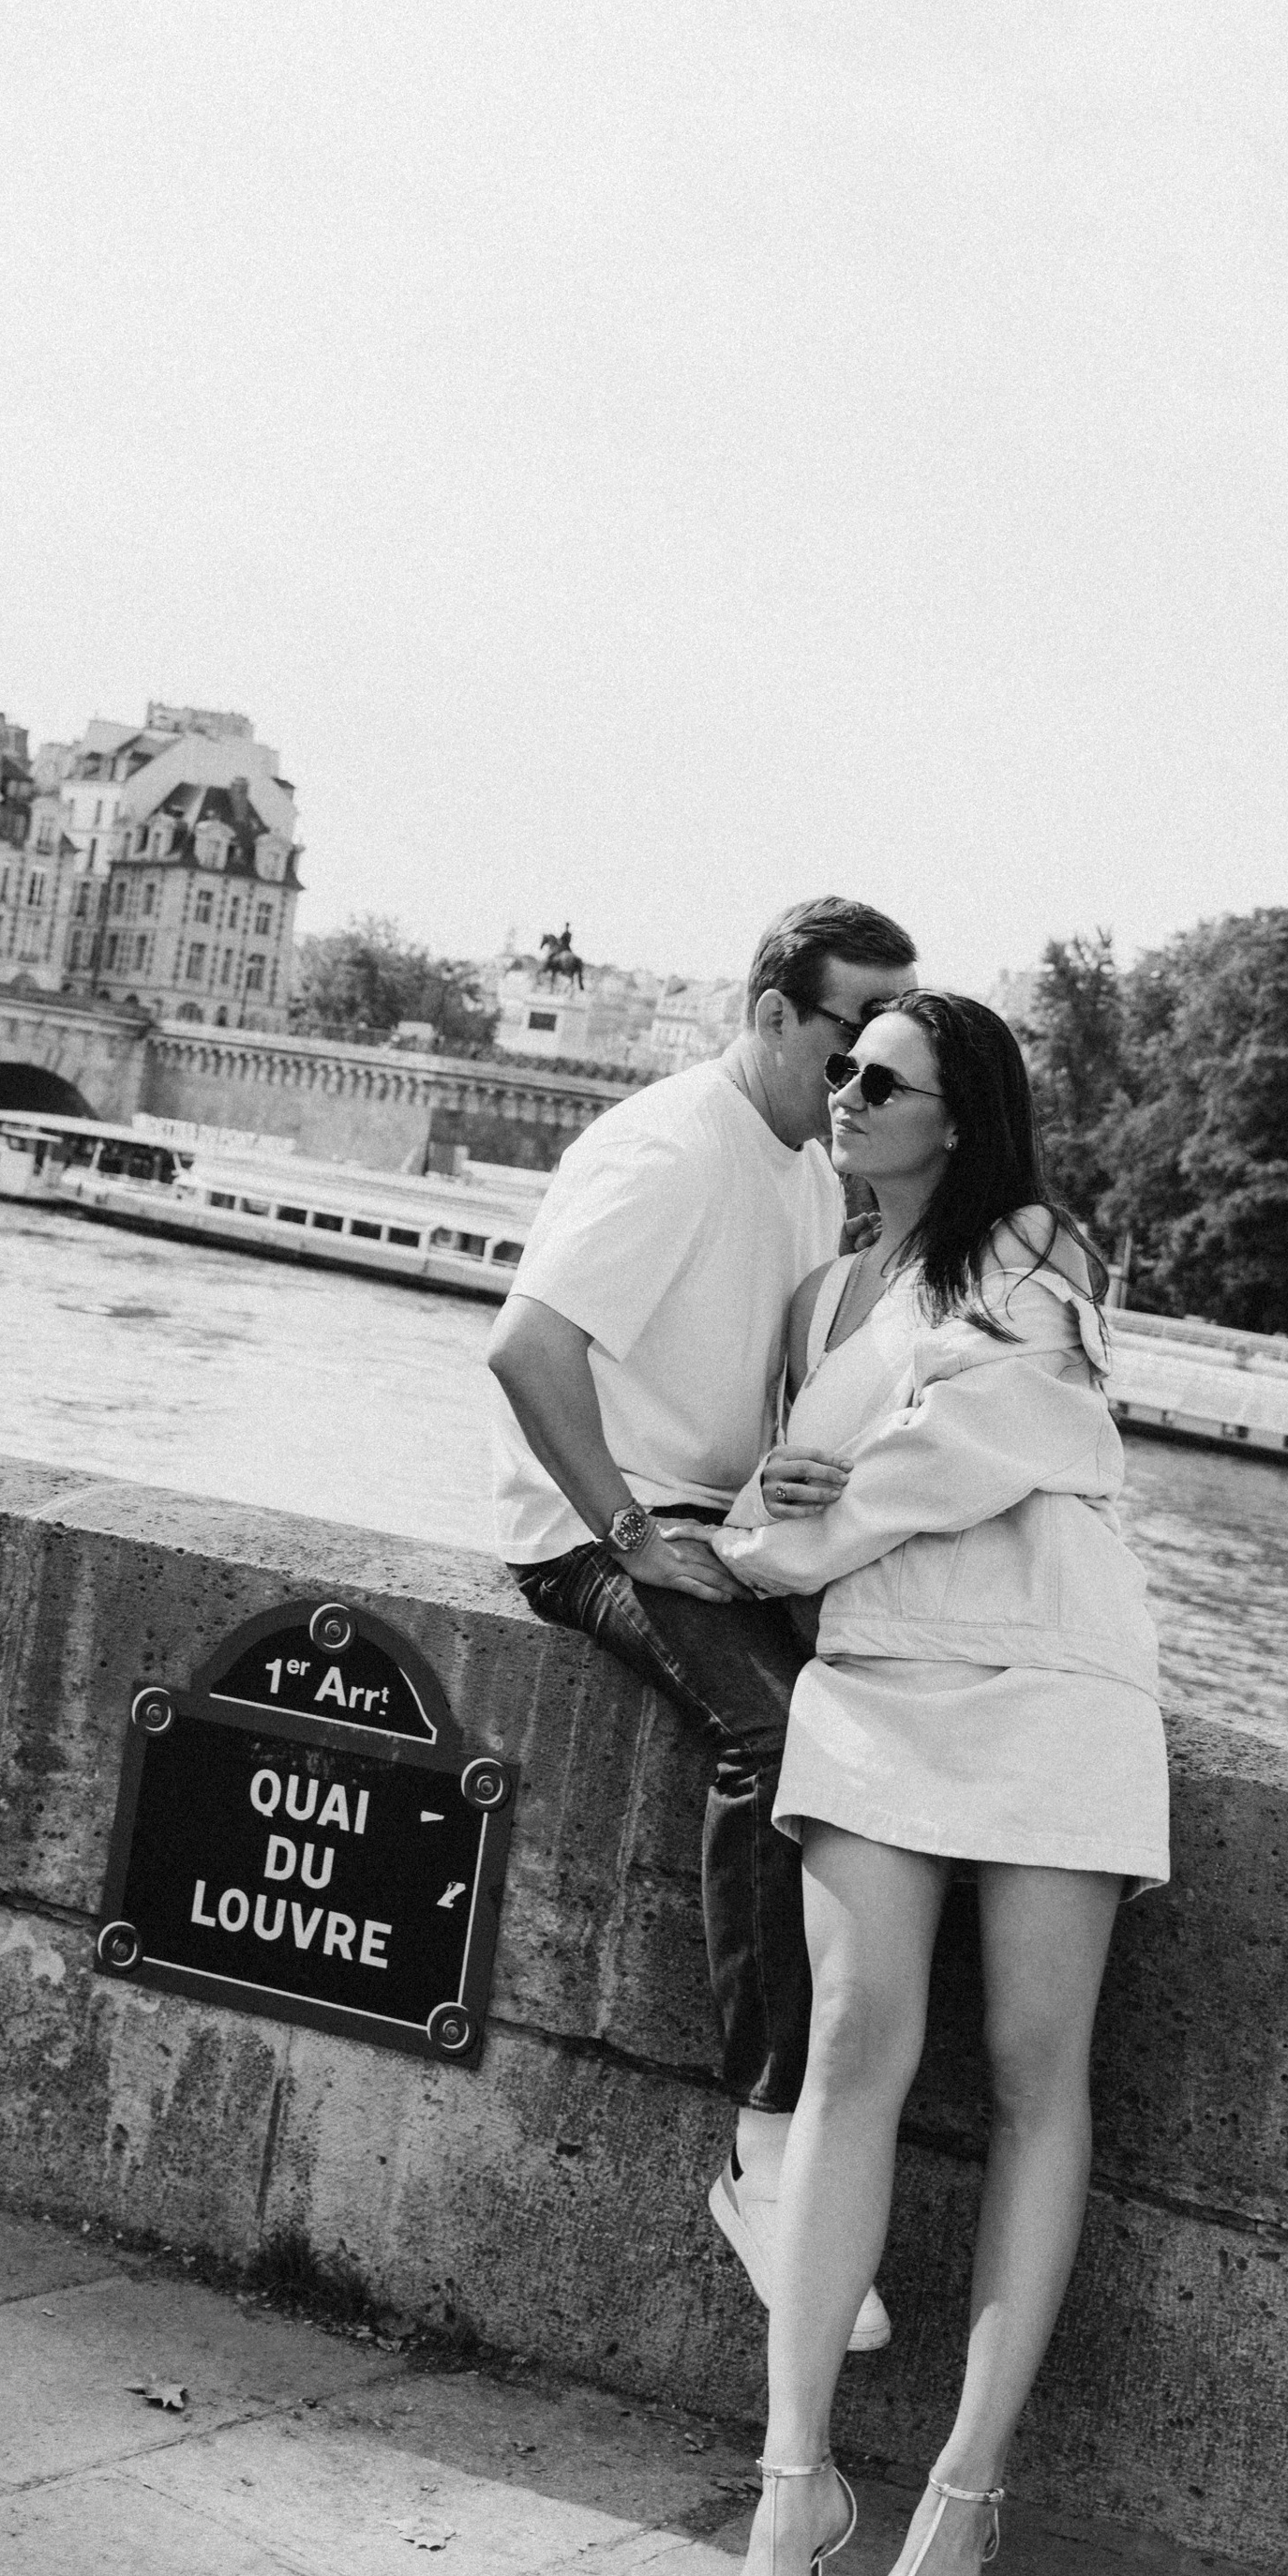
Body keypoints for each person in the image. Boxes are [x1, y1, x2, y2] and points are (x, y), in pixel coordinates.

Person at [704, 991, 1168, 2576]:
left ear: (957, 1115)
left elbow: (986, 1440)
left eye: (877, 1078)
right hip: (886, 1668)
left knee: (1042, 2073)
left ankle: (965, 2492)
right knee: (851, 2044)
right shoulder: (832, 1288)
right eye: (836, 1067)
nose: (841, 1092)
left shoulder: (1040, 1248)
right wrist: (792, 1510)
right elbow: (801, 1479)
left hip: (1051, 1668)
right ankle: (789, 2488)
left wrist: (782, 1530)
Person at [486, 896, 919, 2339]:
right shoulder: (672, 1146)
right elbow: (526, 1343)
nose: (866, 1076)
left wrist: (786, 1466)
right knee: (783, 1737)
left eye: (889, 1055)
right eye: (853, 1038)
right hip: (592, 1533)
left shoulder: (804, 1165)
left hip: (710, 1519)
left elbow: (746, 1371)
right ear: (773, 1009)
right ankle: (764, 2146)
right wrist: (627, 1531)